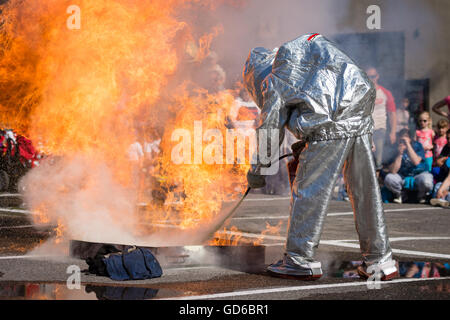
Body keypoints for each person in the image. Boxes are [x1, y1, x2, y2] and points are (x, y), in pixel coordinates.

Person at [243, 33, 398, 281]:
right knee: (365, 191)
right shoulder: (299, 51)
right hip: (359, 108)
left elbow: (270, 129)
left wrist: (258, 170)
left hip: (328, 123)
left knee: (309, 190)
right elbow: (321, 92)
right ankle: (381, 260)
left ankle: (299, 259)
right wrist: (307, 140)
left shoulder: (272, 77)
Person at [383, 129, 434, 204]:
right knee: (389, 178)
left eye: (406, 137)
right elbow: (393, 171)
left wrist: (408, 145)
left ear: (410, 138)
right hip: (402, 177)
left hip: (418, 175)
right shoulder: (395, 148)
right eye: (401, 137)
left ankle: (421, 196)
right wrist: (399, 154)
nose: (403, 139)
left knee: (427, 181)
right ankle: (400, 194)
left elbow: (416, 162)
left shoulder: (417, 146)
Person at [366, 67, 397, 171]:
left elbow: (392, 114)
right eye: (368, 76)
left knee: (378, 159)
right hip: (365, 131)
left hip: (380, 129)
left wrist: (393, 132)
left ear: (377, 76)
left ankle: (377, 183)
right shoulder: (362, 92)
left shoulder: (385, 93)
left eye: (373, 76)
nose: (371, 79)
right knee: (366, 158)